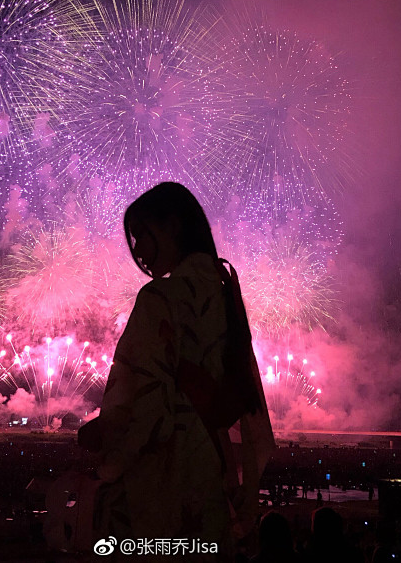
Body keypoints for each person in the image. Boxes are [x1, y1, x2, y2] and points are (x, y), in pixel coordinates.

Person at [78, 182, 275, 560]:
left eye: (141, 236)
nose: (137, 250)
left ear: (172, 226)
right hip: (209, 470)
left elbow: (143, 405)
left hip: (166, 474)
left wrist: (108, 442)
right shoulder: (224, 293)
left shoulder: (158, 300)